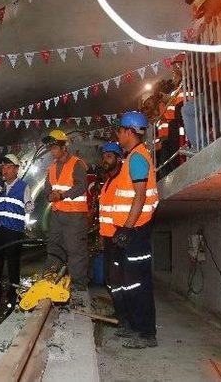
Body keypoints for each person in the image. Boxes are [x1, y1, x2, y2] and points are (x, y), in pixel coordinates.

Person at [111, 111, 159, 349]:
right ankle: (133, 326)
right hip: (131, 230)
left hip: (136, 232)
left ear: (129, 131)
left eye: (120, 130)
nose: (118, 135)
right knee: (129, 282)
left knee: (138, 282)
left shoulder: (138, 158)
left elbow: (139, 196)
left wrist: (127, 229)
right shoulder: (131, 158)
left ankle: (146, 334)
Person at [41, 129, 89, 290]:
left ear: (64, 147)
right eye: (51, 148)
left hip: (75, 215)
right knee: (54, 246)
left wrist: (62, 195)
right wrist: (50, 196)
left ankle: (79, 286)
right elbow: (47, 189)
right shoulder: (51, 168)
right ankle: (52, 279)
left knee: (75, 250)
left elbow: (81, 186)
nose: (52, 150)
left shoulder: (77, 164)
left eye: (55, 147)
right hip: (57, 215)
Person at [0, 154, 32, 305]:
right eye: (3, 167)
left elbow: (29, 206)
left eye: (8, 167)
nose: (4, 170)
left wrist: (29, 205)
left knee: (13, 262)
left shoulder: (24, 186)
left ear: (16, 169)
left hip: (14, 230)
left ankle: (13, 293)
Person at [97, 142, 131, 333]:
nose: (105, 160)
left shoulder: (122, 180)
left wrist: (122, 232)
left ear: (118, 159)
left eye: (109, 156)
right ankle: (120, 314)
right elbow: (106, 213)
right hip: (109, 238)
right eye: (104, 157)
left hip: (120, 238)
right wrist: (102, 236)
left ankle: (126, 319)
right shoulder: (108, 182)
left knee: (121, 282)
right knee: (109, 281)